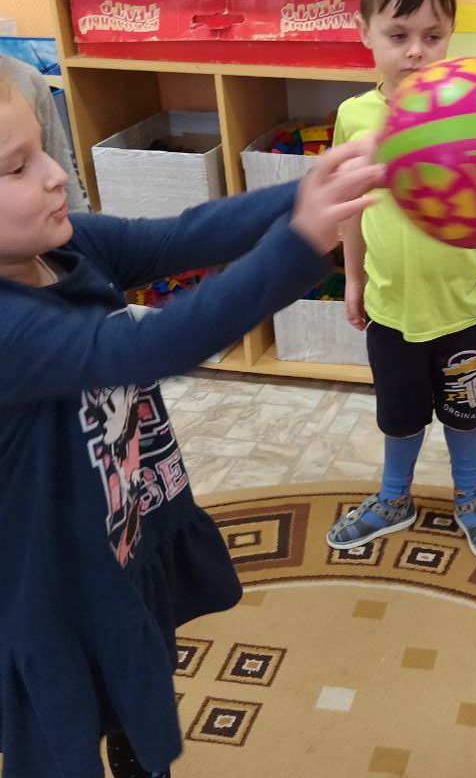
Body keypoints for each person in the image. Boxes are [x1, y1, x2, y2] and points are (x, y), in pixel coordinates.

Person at [0, 71, 382, 778]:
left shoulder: (67, 247)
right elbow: (146, 347)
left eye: (43, 150)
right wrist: (300, 240)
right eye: (17, 168)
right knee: (63, 736)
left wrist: (311, 189)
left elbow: (183, 236)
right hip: (48, 587)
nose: (56, 175)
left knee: (137, 696)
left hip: (118, 536)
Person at [327, 0, 476, 561]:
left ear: (450, 34)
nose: (416, 51)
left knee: (466, 414)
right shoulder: (354, 118)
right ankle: (394, 498)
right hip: (390, 311)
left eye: (432, 36)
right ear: (365, 32)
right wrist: (353, 279)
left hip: (461, 311)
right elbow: (350, 207)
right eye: (399, 34)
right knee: (399, 415)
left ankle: (469, 496)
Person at [0, 53, 89, 211]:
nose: (59, 177)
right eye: (18, 169)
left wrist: (78, 215)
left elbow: (60, 158)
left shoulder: (27, 77)